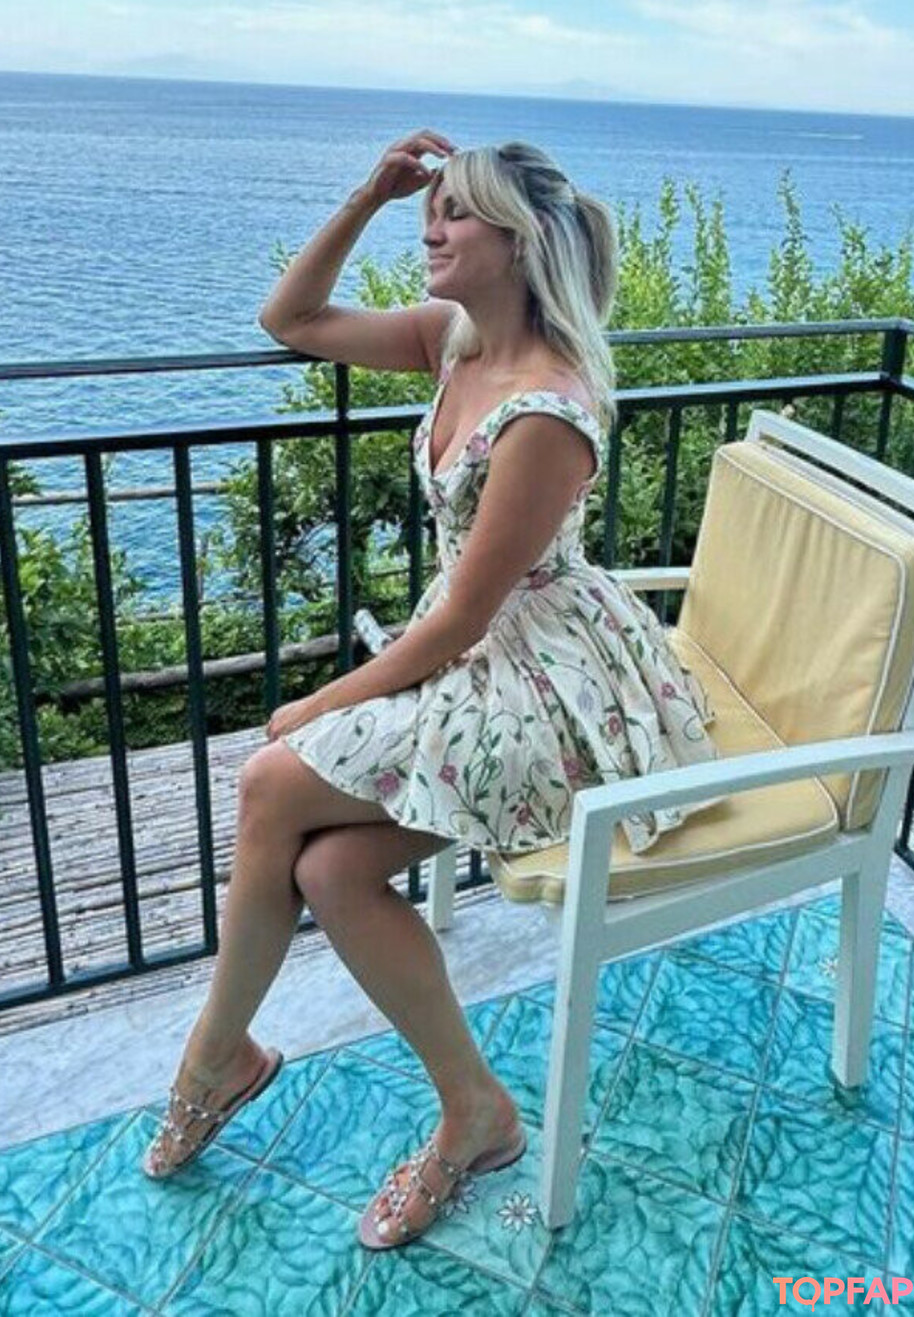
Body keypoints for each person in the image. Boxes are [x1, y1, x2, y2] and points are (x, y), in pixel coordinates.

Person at [140, 129, 721, 1249]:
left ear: (519, 242)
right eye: (430, 209)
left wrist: (320, 705)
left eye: (455, 213)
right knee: (330, 868)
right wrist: (368, 193)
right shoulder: (453, 342)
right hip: (478, 658)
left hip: (548, 683)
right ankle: (476, 1111)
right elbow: (291, 320)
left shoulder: (546, 410)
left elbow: (462, 618)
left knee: (270, 782)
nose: (431, 229)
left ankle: (215, 1058)